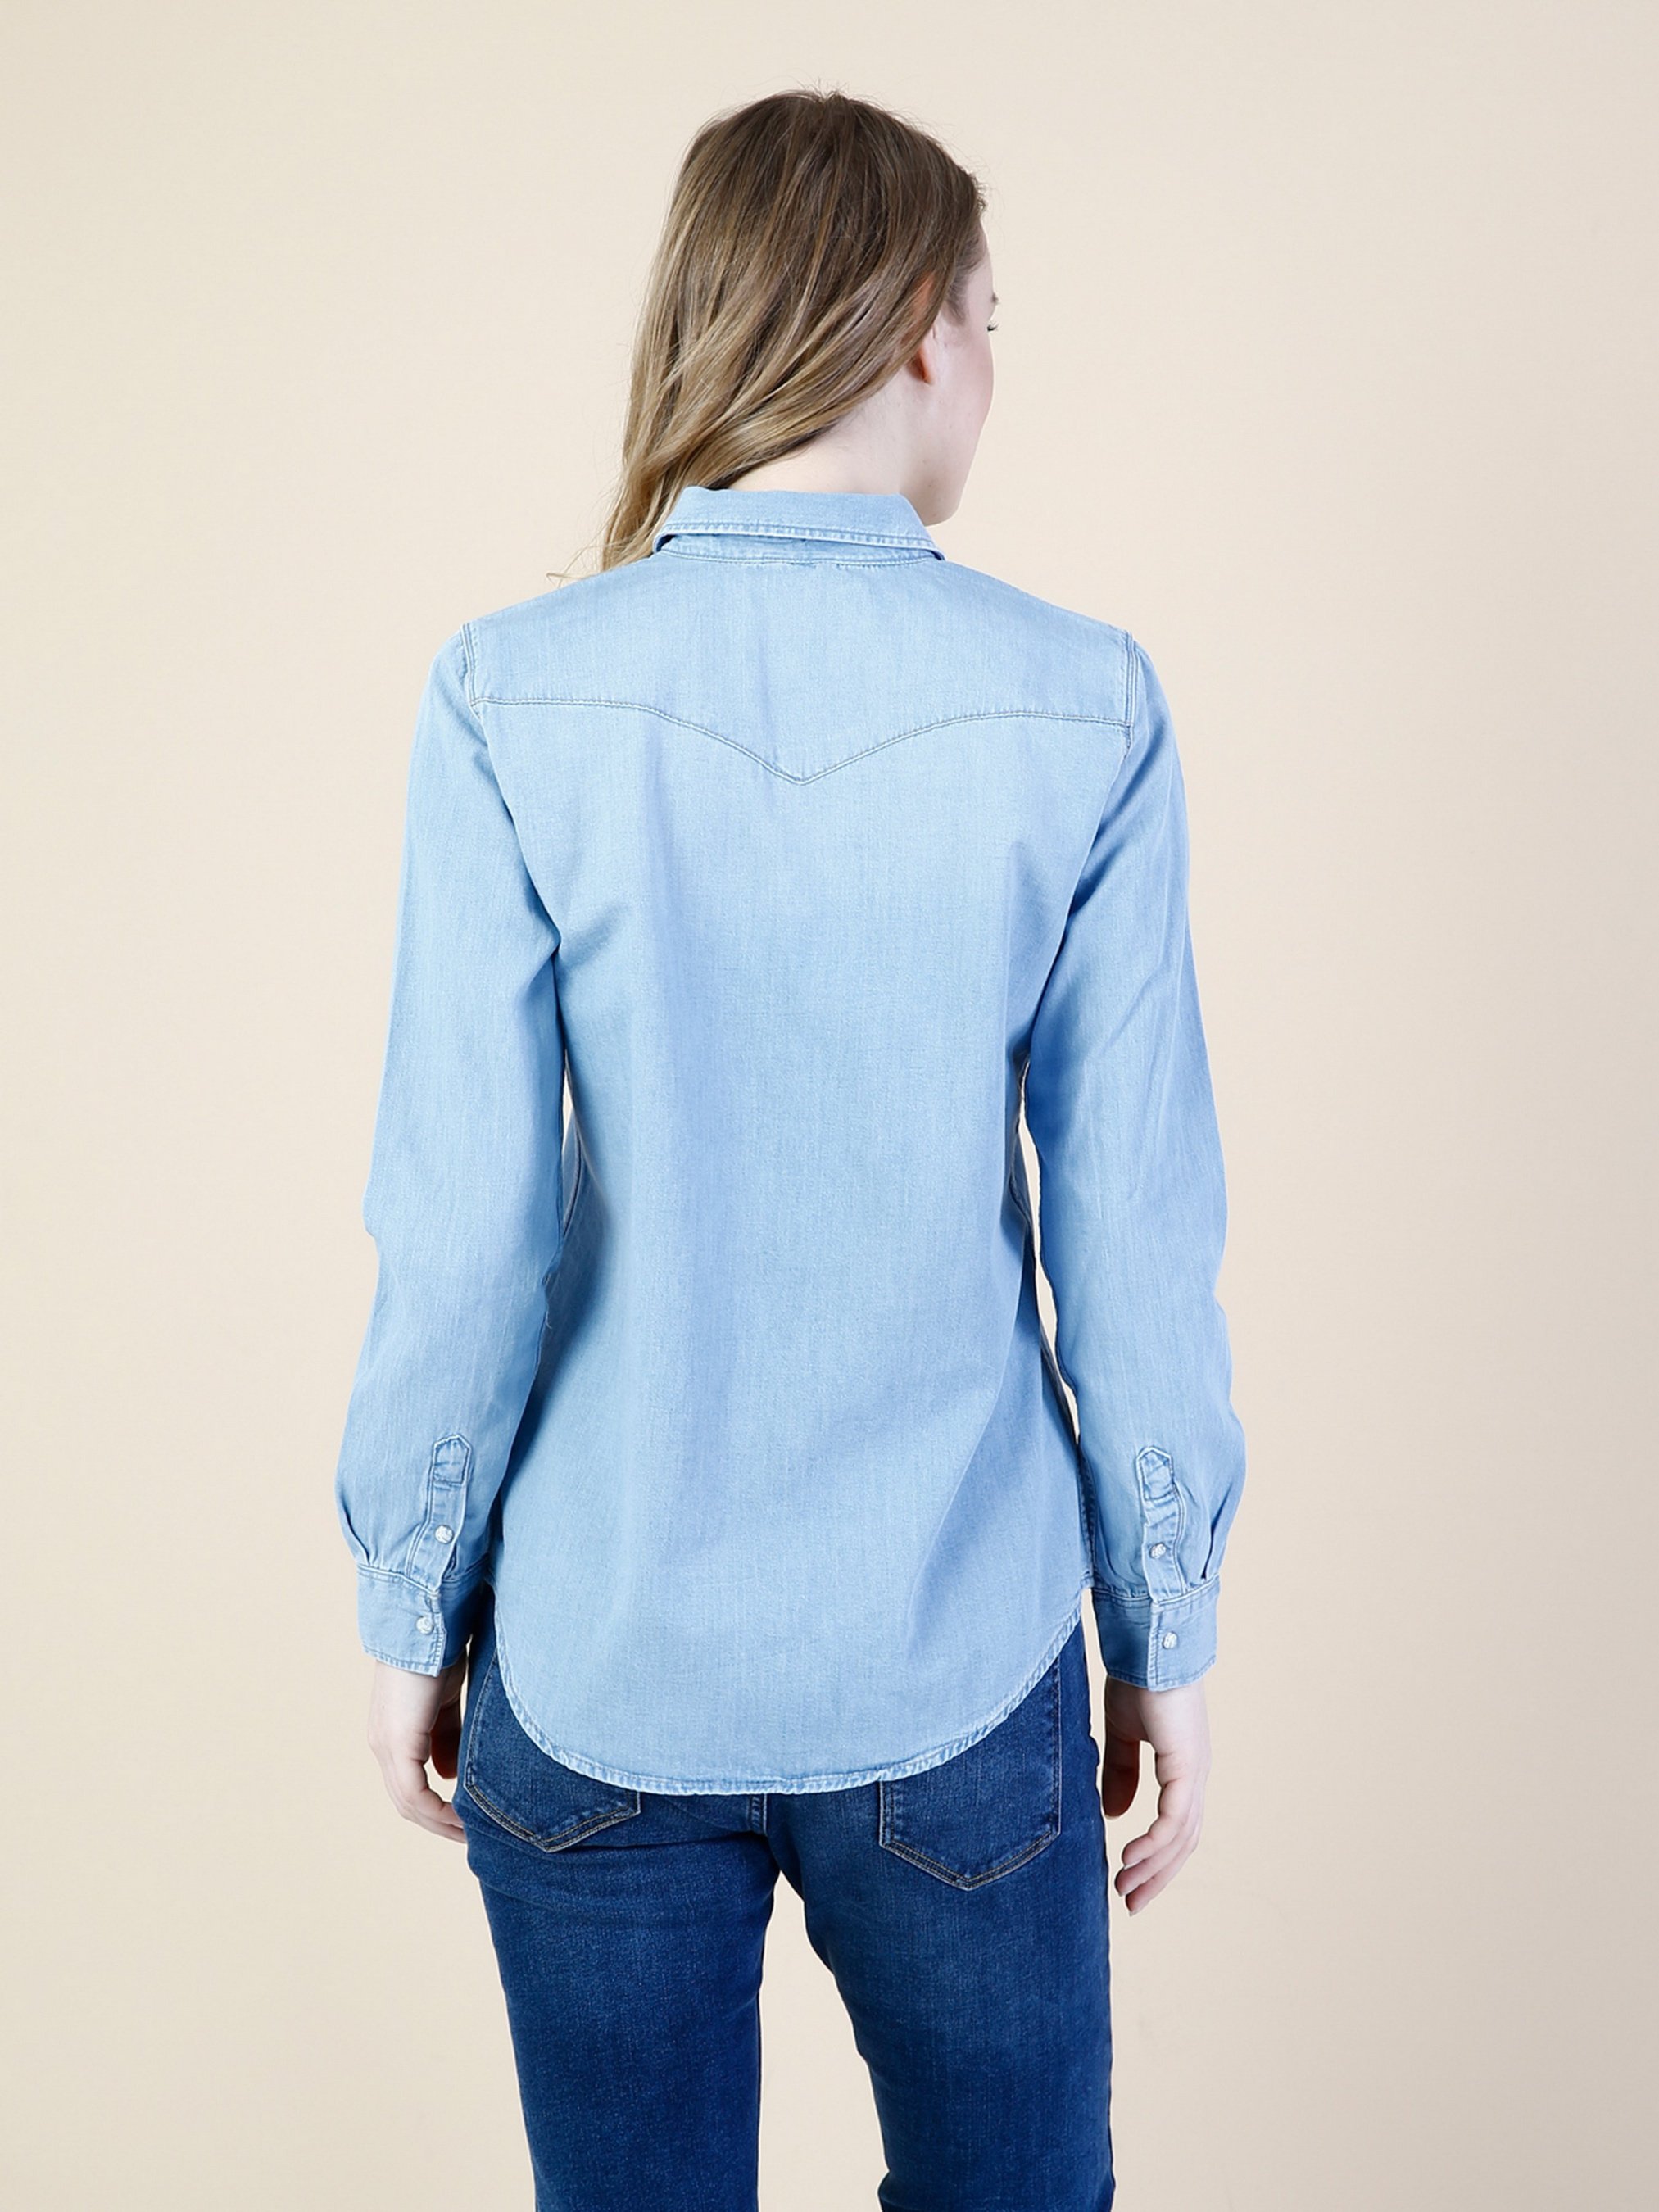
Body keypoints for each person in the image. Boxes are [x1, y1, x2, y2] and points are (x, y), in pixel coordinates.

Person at [333, 84, 1245, 2212]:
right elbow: (1131, 1237)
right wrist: (1165, 1627)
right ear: (923, 324)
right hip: (963, 1666)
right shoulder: (1085, 704)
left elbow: (467, 1228)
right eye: (992, 320)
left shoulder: (506, 694)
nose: (991, 368)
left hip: (601, 1655)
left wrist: (406, 1602)